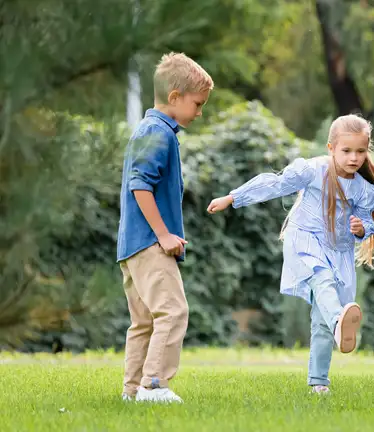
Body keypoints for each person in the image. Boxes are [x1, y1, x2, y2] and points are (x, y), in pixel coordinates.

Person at [207, 114, 374, 394]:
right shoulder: (312, 170)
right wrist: (233, 197)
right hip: (305, 238)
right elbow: (274, 184)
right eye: (346, 151)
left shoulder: (364, 189)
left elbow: (367, 222)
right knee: (321, 280)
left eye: (360, 151)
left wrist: (361, 228)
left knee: (320, 321)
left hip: (339, 251)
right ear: (330, 148)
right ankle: (339, 322)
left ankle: (319, 382)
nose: (354, 158)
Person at [117, 52, 213, 403]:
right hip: (149, 244)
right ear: (175, 97)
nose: (199, 112)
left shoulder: (149, 130)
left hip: (131, 245)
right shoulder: (158, 132)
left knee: (144, 322)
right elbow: (139, 185)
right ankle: (154, 385)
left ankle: (133, 391)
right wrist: (163, 235)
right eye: (197, 104)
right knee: (173, 312)